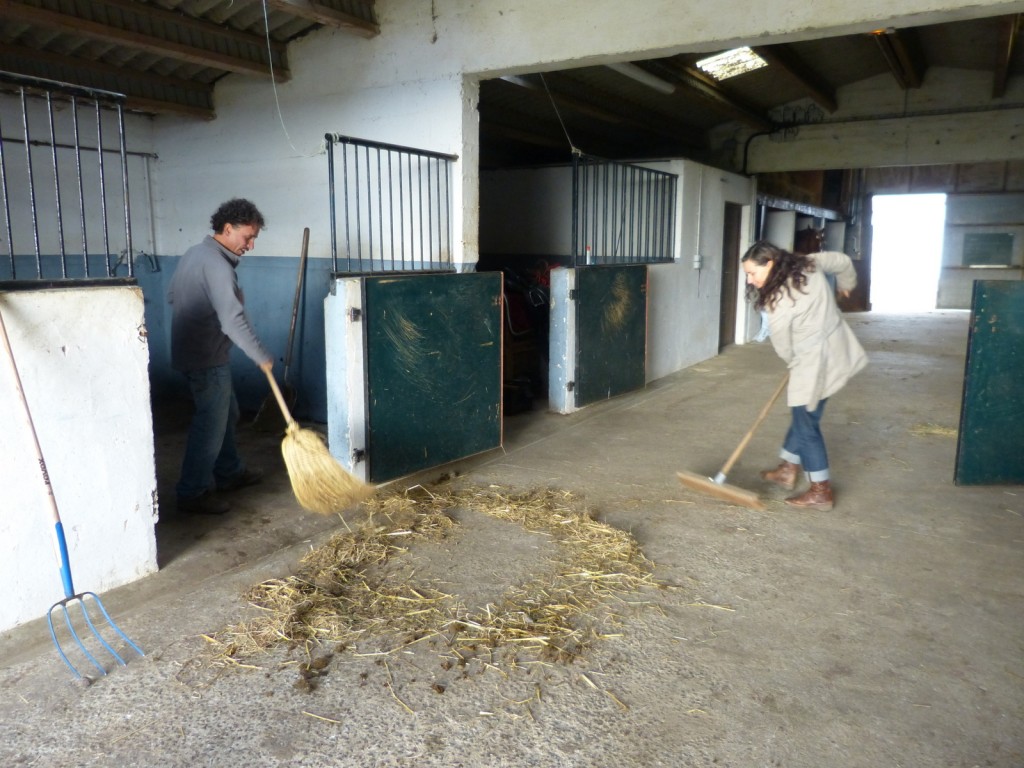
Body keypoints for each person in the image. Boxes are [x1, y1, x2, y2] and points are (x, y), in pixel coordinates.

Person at [741, 240, 868, 511]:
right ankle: (788, 469)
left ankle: (820, 490)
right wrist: (847, 284)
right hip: (837, 349)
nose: (750, 281)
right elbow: (843, 262)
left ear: (770, 264)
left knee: (806, 424)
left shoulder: (778, 300)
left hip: (813, 361)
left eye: (753, 273)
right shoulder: (808, 263)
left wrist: (794, 363)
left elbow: (783, 346)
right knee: (807, 415)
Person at [168, 198, 274, 515]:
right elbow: (233, 320)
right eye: (247, 237)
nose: (251, 245)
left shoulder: (194, 254)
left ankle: (229, 472)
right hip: (206, 358)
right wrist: (260, 355)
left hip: (190, 352)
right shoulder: (216, 265)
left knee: (226, 413)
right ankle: (192, 493)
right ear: (228, 229)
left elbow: (173, 295)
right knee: (211, 423)